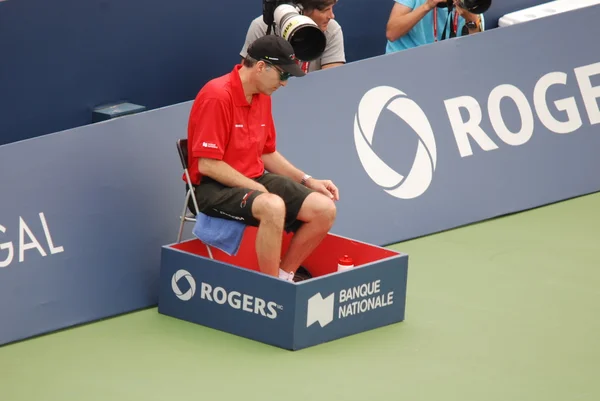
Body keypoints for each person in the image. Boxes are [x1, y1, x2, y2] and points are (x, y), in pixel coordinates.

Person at [185, 35, 339, 282]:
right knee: (273, 206)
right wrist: (256, 188)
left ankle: (284, 277)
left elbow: (266, 153)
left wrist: (308, 180)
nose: (285, 83)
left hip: (253, 179)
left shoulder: (263, 97)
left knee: (324, 209)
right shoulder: (217, 96)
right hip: (211, 188)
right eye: (283, 75)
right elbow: (208, 164)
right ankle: (271, 291)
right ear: (260, 67)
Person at [240, 0, 345, 74]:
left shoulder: (331, 29)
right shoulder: (262, 27)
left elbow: (332, 80)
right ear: (301, 9)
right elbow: (247, 78)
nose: (331, 16)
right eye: (325, 10)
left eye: (332, 8)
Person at [385, 0, 489, 54]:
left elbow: (475, 53)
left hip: (445, 66)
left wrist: (471, 21)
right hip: (404, 60)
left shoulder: (472, 5)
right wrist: (427, 6)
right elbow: (392, 33)